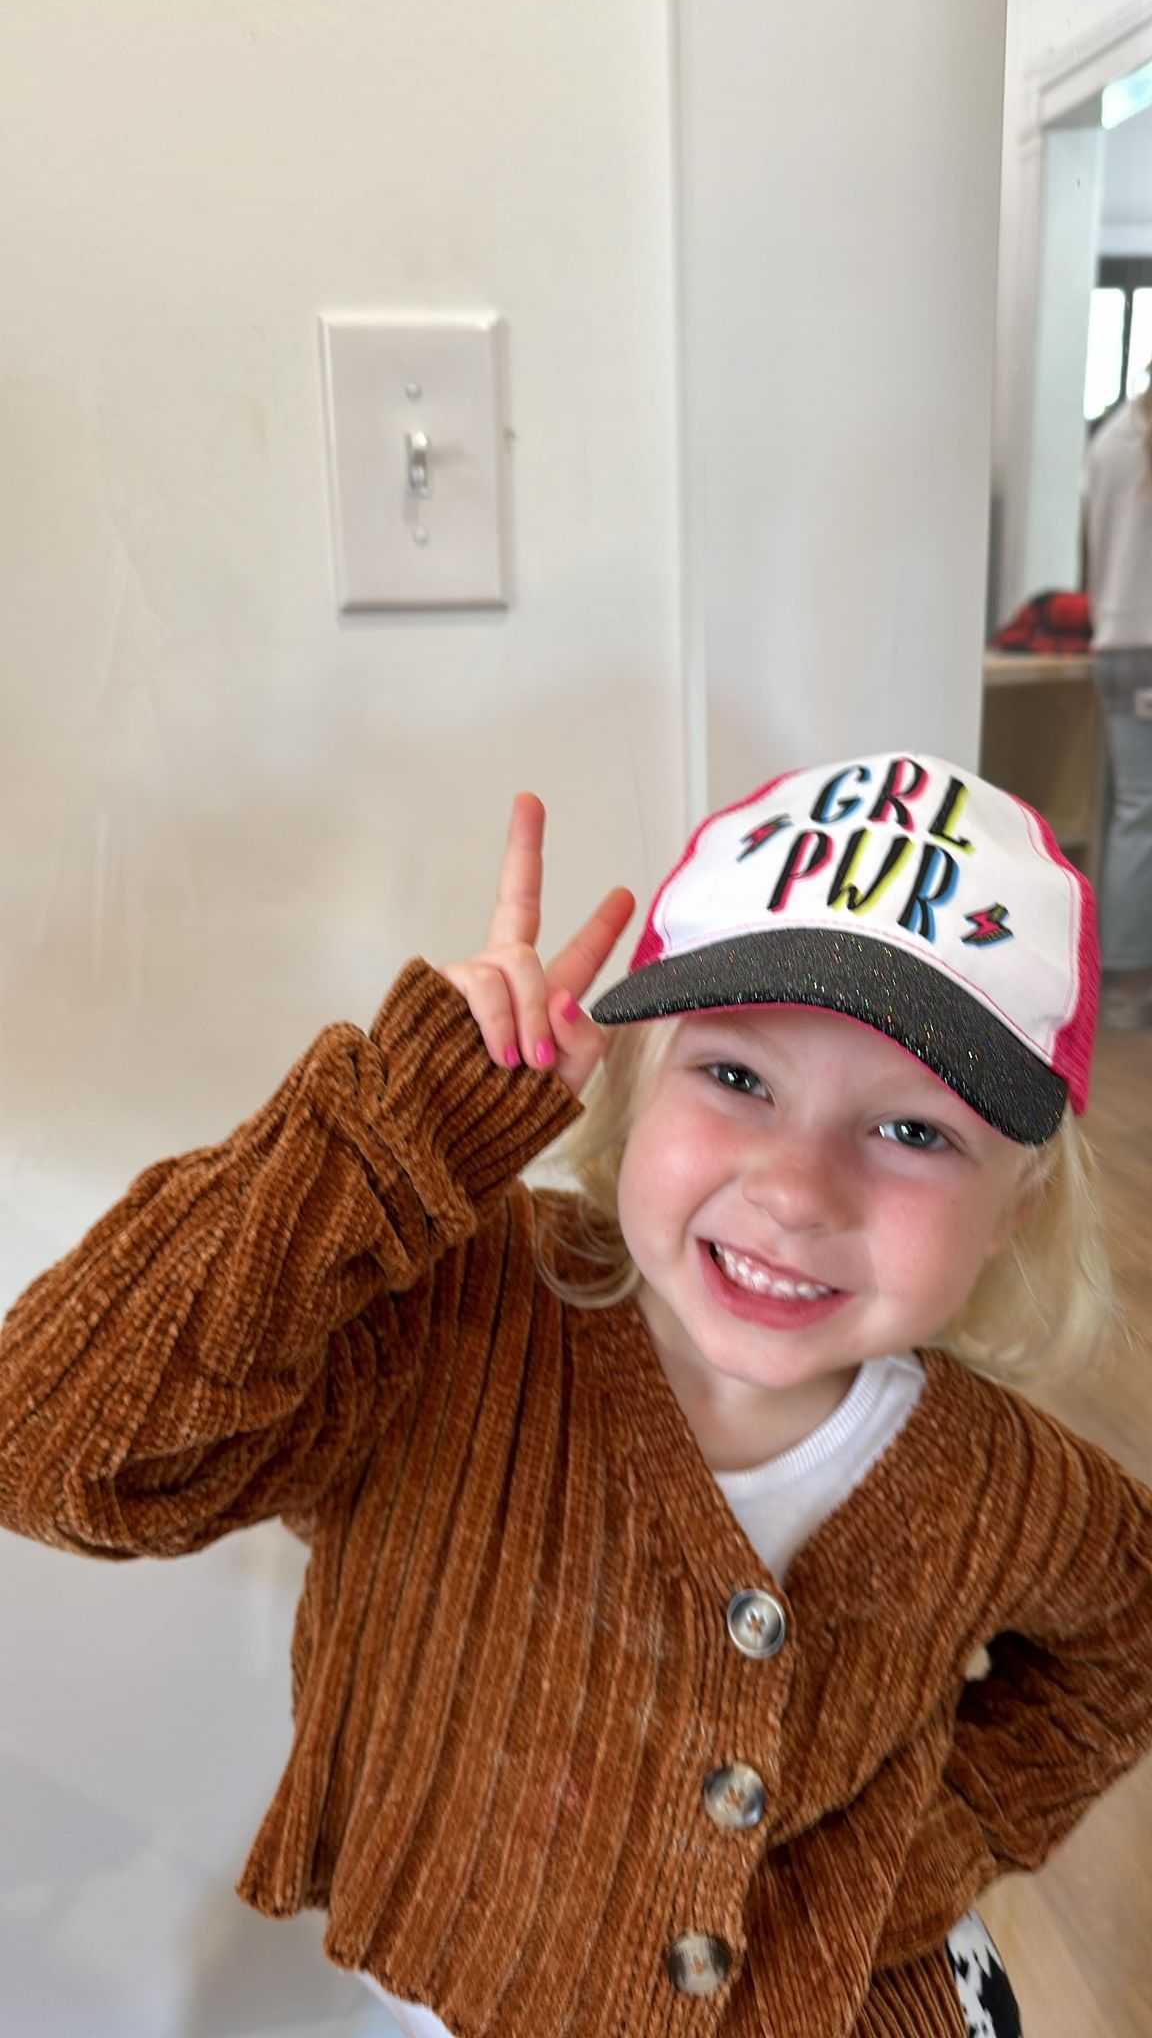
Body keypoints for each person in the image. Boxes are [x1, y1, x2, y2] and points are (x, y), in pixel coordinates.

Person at [1, 749, 1150, 2038]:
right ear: (634, 1080)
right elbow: (54, 1448)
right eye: (738, 1077)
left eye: (913, 1131)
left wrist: (937, 1841)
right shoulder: (445, 1314)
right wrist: (387, 1133)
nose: (796, 1188)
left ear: (1018, 1210)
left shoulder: (998, 1478)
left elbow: (1124, 1636)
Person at [1082, 379, 1152, 1027]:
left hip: (1118, 642)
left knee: (1135, 808)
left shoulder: (1111, 436)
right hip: (1144, 644)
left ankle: (1127, 982)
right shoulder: (1132, 440)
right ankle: (1129, 989)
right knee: (1141, 812)